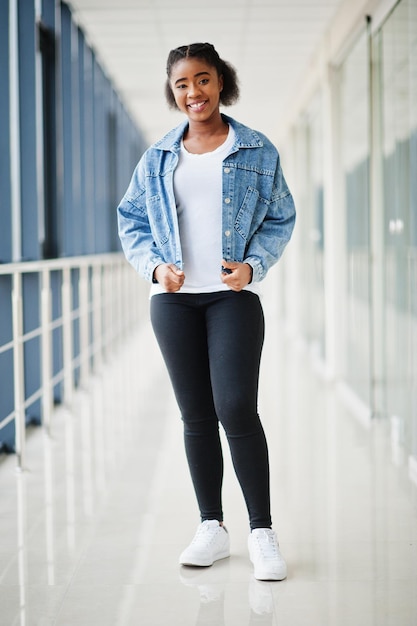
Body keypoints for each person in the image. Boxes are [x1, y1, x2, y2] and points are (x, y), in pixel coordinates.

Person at [117, 42, 296, 581]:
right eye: (181, 84)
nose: (192, 92)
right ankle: (211, 526)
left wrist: (253, 266)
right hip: (172, 302)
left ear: (220, 82)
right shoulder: (157, 158)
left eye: (202, 80)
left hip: (232, 298)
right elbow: (132, 221)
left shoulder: (256, 150)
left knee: (236, 406)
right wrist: (154, 268)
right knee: (196, 415)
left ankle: (261, 532)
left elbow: (280, 218)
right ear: (173, 93)